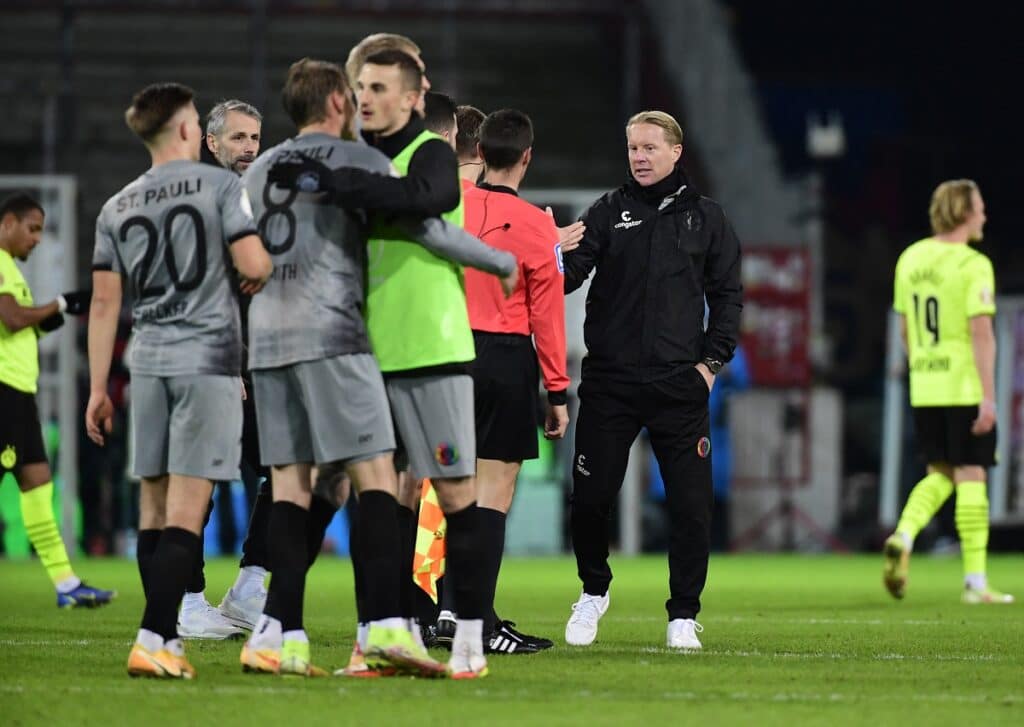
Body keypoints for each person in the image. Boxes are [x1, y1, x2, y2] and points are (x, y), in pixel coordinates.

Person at [86, 82, 273, 679]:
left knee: (153, 506)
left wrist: (96, 389)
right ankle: (155, 637)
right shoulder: (221, 188)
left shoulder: (117, 205)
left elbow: (102, 305)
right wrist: (256, 268)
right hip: (208, 359)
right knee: (189, 511)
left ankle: (164, 638)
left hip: (145, 365)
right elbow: (253, 265)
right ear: (190, 130)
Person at [561, 110, 742, 651]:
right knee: (590, 500)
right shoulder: (606, 212)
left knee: (690, 506)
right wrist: (545, 251)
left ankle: (683, 614)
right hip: (610, 384)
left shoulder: (708, 219)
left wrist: (710, 366)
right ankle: (594, 591)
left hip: (678, 388)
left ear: (675, 152)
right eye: (632, 148)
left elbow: (728, 296)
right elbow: (569, 279)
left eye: (648, 148)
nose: (638, 157)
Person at [461, 109, 574, 653]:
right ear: (527, 157)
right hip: (505, 360)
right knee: (492, 493)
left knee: (437, 490)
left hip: (443, 352)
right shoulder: (537, 226)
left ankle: (431, 614)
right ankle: (477, 624)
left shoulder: (448, 207)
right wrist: (558, 392)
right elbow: (548, 318)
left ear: (478, 153)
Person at [884, 179, 1013, 604]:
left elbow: (904, 327)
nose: (984, 215)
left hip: (925, 385)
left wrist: (922, 364)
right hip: (963, 383)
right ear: (962, 211)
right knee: (972, 473)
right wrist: (989, 397)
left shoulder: (911, 258)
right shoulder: (973, 264)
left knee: (940, 471)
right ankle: (976, 582)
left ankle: (903, 535)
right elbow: (982, 333)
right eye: (979, 207)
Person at [178, 98, 269, 641]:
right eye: (238, 138)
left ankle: (248, 590)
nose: (249, 148)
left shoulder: (253, 202)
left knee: (285, 471)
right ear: (212, 143)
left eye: (255, 138)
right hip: (214, 363)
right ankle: (187, 601)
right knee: (198, 485)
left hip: (261, 367)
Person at [0, 193, 115, 608]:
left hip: (17, 395)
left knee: (37, 484)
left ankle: (66, 584)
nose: (36, 240)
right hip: (4, 395)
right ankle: (66, 584)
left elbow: (21, 326)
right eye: (31, 229)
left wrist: (57, 313)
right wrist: (61, 303)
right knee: (33, 484)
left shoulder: (10, 269)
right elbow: (12, 319)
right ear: (7, 222)